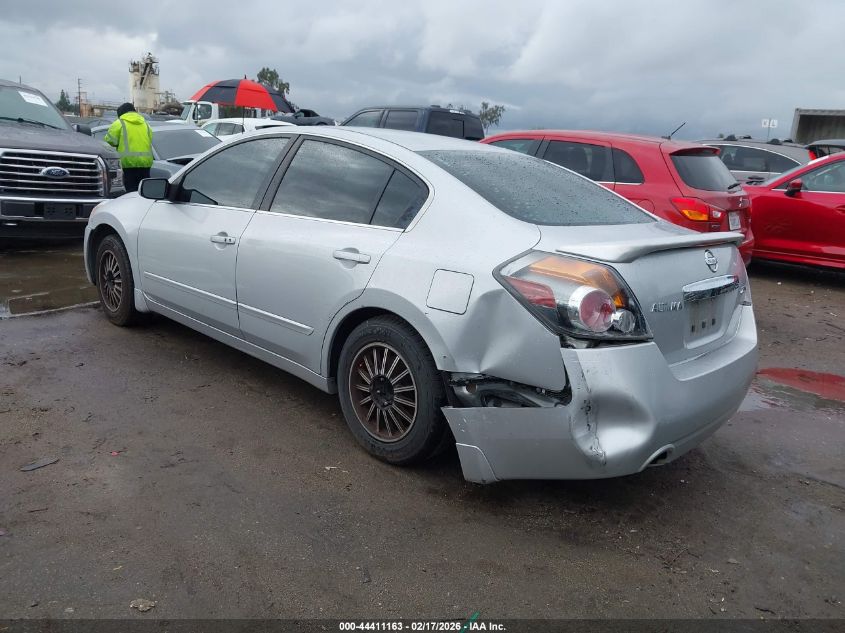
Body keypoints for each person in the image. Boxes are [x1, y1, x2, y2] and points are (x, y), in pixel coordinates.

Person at [104, 103, 154, 193]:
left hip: (127, 164)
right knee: (144, 192)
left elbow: (110, 141)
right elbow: (150, 139)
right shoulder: (146, 124)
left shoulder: (119, 123)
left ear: (121, 114)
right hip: (145, 163)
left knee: (130, 193)